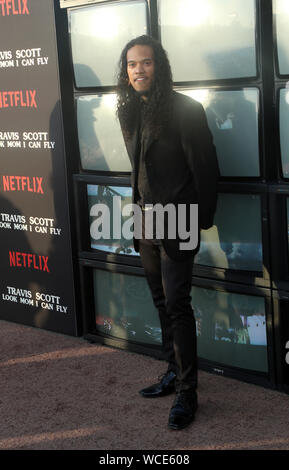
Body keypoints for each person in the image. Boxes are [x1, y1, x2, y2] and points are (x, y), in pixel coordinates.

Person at [116, 35, 219, 430]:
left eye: (146, 62)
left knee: (178, 306)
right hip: (145, 222)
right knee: (161, 303)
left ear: (160, 66)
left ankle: (188, 394)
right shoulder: (129, 111)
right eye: (131, 64)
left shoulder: (186, 110)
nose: (138, 70)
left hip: (178, 222)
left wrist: (199, 221)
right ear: (125, 72)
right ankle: (173, 373)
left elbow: (206, 170)